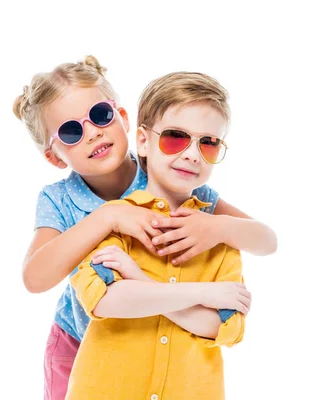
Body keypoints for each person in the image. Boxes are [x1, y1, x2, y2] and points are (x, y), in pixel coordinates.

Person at [13, 56, 277, 400]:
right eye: (72, 131)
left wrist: (218, 226)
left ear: (123, 119)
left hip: (157, 334)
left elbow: (267, 241)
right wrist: (108, 216)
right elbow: (35, 278)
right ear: (55, 156)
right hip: (79, 337)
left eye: (100, 116)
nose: (93, 132)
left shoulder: (170, 175)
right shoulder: (59, 199)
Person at [68, 71, 250, 399]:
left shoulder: (221, 239)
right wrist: (204, 294)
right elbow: (105, 300)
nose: (194, 154)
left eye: (209, 143)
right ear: (142, 141)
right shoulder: (114, 220)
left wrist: (137, 280)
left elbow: (221, 326)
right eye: (176, 137)